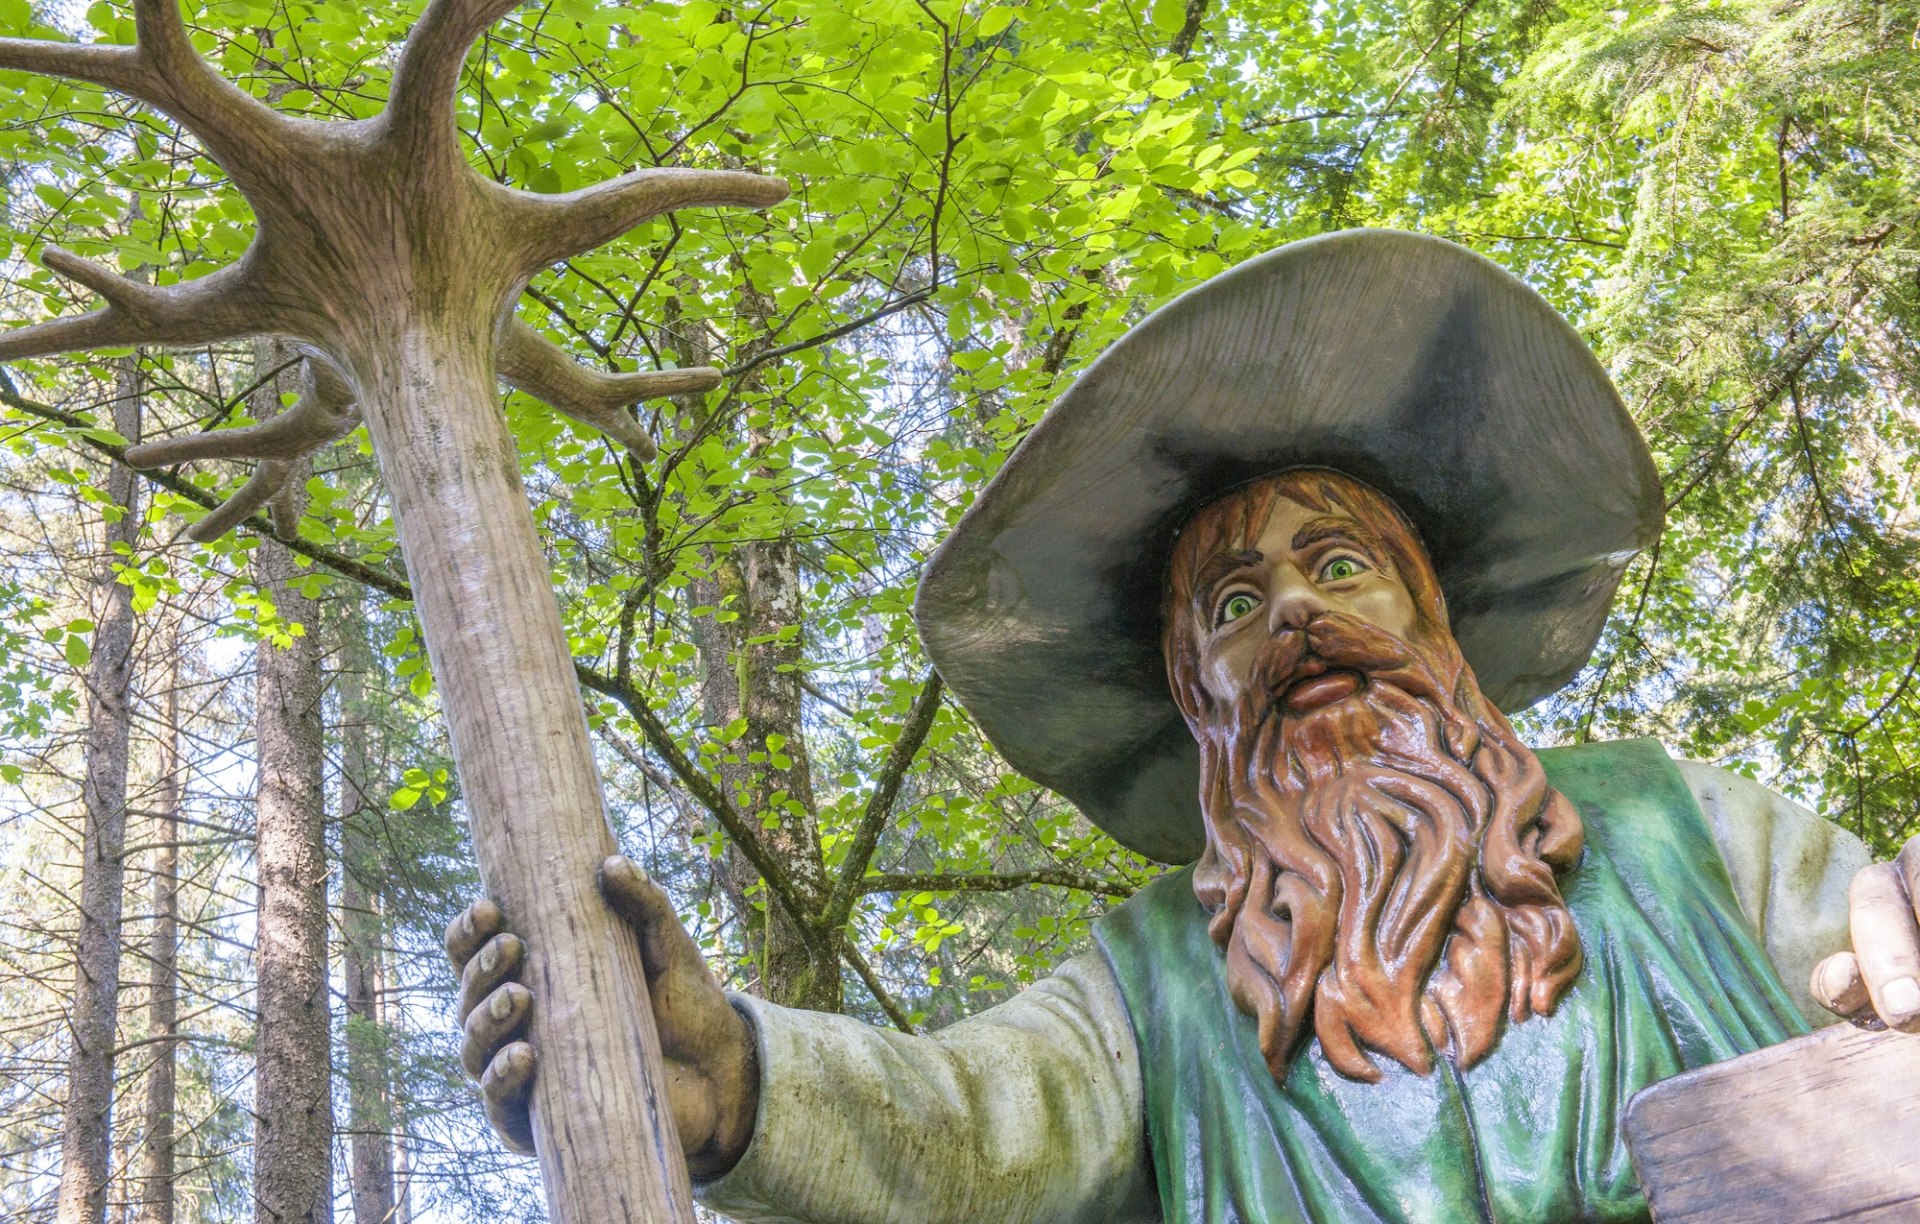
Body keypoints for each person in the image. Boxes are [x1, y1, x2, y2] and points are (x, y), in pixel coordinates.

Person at [446, 231, 1920, 1222]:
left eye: (1339, 567)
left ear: (1435, 615)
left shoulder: (1683, 822)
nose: (1292, 616)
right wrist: (745, 1081)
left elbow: (1880, 939)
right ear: (1196, 700)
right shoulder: (1155, 978)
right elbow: (973, 1119)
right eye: (1230, 602)